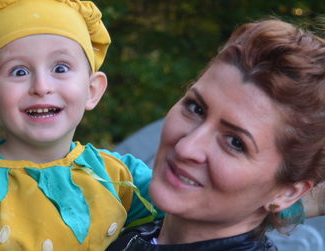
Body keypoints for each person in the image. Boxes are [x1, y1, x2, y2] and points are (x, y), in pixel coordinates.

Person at [0, 0, 159, 249]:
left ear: (92, 91)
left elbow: (197, 215)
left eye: (60, 67)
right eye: (19, 72)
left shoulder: (121, 177)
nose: (41, 86)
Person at [107, 19, 325, 250]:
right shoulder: (119, 214)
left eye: (235, 143)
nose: (186, 148)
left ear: (288, 193)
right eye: (196, 108)